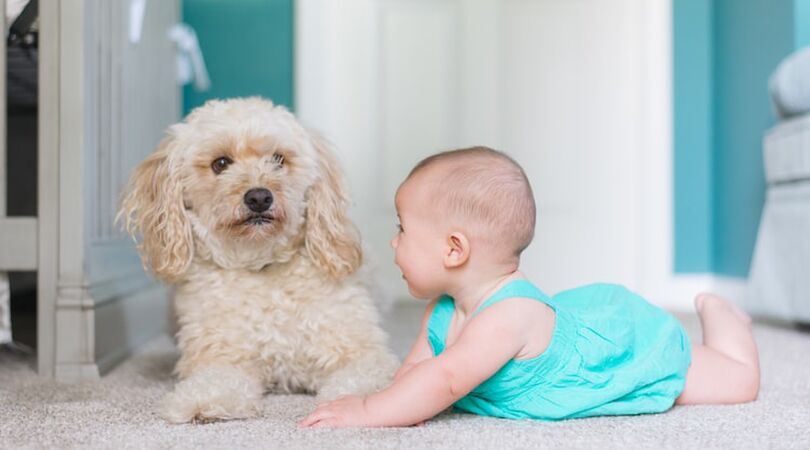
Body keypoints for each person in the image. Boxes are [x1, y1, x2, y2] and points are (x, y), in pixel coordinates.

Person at [299, 146, 760, 428]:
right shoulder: (442, 310)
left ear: (454, 250)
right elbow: (417, 374)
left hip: (617, 349)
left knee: (738, 383)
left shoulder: (506, 317)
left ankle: (723, 316)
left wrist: (367, 412)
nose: (393, 241)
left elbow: (444, 379)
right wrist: (397, 403)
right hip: (567, 322)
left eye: (403, 230)